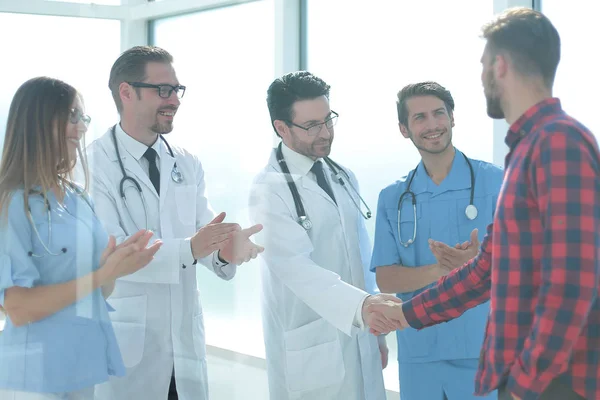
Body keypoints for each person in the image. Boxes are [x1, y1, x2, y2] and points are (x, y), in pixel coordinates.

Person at [368, 7, 600, 400]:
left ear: (500, 66)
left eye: (482, 65)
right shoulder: (528, 150)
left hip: (557, 383)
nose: (481, 78)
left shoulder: (557, 142)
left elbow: (572, 281)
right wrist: (405, 315)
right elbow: (489, 268)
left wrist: (524, 384)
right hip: (528, 376)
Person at [87, 46, 264, 400]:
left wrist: (226, 249)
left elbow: (203, 234)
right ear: (126, 92)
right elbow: (113, 253)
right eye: (163, 90)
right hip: (128, 349)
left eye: (177, 90)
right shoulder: (94, 163)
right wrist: (191, 248)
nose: (175, 100)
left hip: (183, 347)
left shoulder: (185, 161)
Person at [0, 76, 161, 399]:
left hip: (83, 363)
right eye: (72, 116)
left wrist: (115, 267)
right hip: (34, 376)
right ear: (40, 121)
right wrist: (101, 274)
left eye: (83, 117)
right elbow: (17, 307)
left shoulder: (77, 198)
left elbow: (99, 290)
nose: (82, 127)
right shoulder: (14, 203)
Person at [248, 71, 400, 400]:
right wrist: (363, 306)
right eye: (312, 125)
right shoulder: (268, 190)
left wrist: (375, 331)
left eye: (328, 119)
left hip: (360, 332)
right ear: (281, 128)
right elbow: (295, 268)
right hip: (312, 348)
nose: (326, 133)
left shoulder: (342, 175)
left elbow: (361, 255)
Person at [370, 81, 503, 400]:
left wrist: (476, 266)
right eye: (419, 118)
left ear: (452, 118)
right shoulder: (393, 197)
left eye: (438, 113)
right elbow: (386, 277)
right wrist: (441, 271)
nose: (432, 125)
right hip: (420, 354)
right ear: (404, 129)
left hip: (482, 349)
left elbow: (526, 264)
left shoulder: (497, 181)